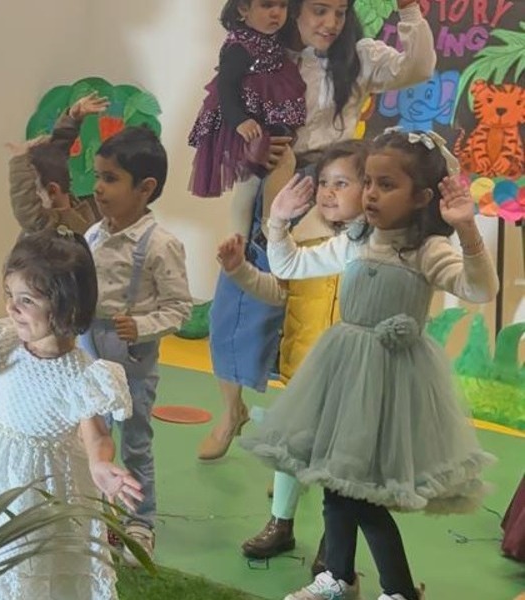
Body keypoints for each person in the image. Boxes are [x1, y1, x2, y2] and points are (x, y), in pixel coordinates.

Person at [242, 130, 498, 600]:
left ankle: (398, 589)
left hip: (389, 383)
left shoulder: (428, 251)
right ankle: (339, 578)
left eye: (387, 184)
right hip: (341, 373)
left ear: (421, 197)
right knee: (334, 483)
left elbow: (480, 289)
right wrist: (277, 220)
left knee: (360, 494)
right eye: (369, 183)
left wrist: (466, 229)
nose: (371, 194)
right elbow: (290, 265)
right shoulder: (357, 239)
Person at [199, 0, 437, 463]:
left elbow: (417, 67)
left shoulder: (360, 55)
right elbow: (227, 114)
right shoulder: (264, 50)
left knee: (315, 313)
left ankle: (308, 432)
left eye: (340, 13)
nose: (330, 23)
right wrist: (252, 150)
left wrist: (409, 12)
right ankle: (231, 412)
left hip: (337, 188)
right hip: (276, 182)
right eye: (319, 11)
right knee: (238, 300)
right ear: (294, 11)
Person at [0, 228, 142, 600]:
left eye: (26, 300)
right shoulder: (3, 344)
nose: (11, 308)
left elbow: (95, 433)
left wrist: (100, 465)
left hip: (47, 483)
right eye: (9, 295)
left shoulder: (82, 375)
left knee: (37, 561)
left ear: (66, 308)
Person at [218, 140, 367, 563]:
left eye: (342, 183)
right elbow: (278, 291)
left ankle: (334, 544)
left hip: (354, 375)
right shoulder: (306, 238)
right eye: (323, 182)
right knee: (291, 449)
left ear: (370, 188)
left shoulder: (372, 249)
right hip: (305, 369)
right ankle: (280, 524)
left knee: (342, 462)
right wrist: (240, 271)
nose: (328, 192)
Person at [81, 126, 192, 563]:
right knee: (91, 434)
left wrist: (143, 325)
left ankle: (140, 521)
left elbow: (180, 308)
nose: (98, 187)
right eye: (97, 176)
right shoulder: (93, 234)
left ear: (145, 188)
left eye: (110, 179)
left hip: (131, 358)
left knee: (135, 442)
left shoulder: (161, 244)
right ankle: (94, 512)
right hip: (88, 348)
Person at [188, 0, 305, 240]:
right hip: (247, 126)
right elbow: (226, 88)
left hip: (266, 119)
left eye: (282, 6)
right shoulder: (239, 47)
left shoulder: (274, 39)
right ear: (243, 9)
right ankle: (257, 230)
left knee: (262, 174)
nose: (276, 13)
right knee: (254, 179)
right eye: (266, 5)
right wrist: (240, 121)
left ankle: (259, 228)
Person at [8, 92, 107, 236]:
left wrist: (19, 160)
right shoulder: (73, 209)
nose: (32, 197)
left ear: (52, 191)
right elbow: (54, 157)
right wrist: (71, 120)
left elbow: (26, 207)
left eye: (34, 191)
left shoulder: (49, 226)